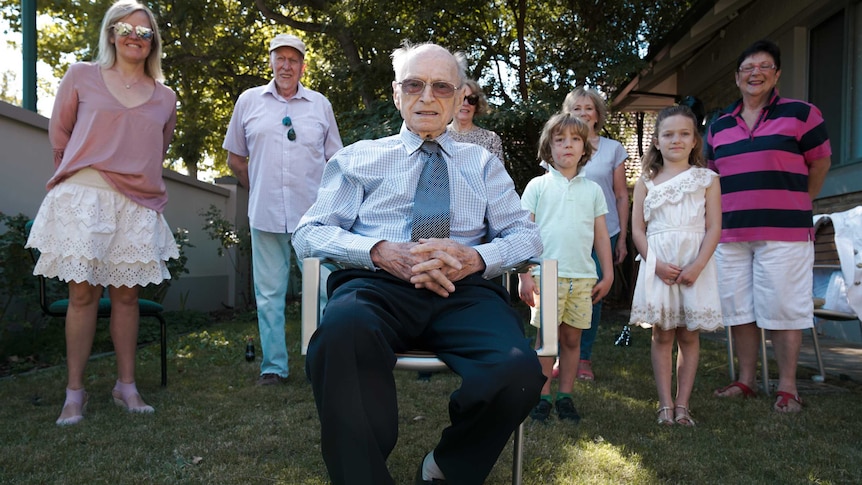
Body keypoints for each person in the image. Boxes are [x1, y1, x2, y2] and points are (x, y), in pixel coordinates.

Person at [292, 41, 545, 485]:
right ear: (396, 94)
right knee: (342, 333)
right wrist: (377, 251)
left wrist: (476, 257)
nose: (427, 97)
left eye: (441, 87)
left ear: (460, 96)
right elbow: (308, 233)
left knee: (518, 370)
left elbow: (528, 236)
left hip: (464, 290)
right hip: (378, 285)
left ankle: (448, 466)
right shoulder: (358, 158)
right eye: (414, 84)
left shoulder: (482, 163)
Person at [25, 0, 178, 425]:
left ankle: (125, 387)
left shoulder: (167, 98)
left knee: (127, 295)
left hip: (138, 204)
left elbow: (157, 149)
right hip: (83, 197)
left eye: (145, 32)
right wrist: (81, 182)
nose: (135, 36)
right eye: (125, 27)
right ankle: (75, 393)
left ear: (153, 42)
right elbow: (60, 135)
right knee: (81, 294)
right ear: (110, 33)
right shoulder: (81, 75)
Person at [707, 40, 831, 413]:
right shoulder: (718, 125)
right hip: (730, 234)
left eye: (764, 66)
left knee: (783, 309)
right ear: (737, 77)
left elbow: (820, 165)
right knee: (740, 310)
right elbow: (713, 178)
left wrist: (795, 204)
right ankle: (746, 380)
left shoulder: (802, 114)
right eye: (748, 67)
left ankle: (788, 387)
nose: (755, 73)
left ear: (776, 74)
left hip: (785, 232)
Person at [223, 33, 342, 386]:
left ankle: (317, 361)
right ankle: (274, 367)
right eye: (280, 58)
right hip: (266, 214)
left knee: (320, 292)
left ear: (303, 65)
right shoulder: (248, 101)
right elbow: (235, 158)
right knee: (269, 293)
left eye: (294, 59)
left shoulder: (320, 105)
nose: (286, 65)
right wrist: (258, 187)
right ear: (271, 62)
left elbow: (336, 159)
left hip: (313, 218)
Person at [629, 105, 723, 426]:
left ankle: (683, 405)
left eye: (684, 134)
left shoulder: (708, 180)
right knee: (663, 334)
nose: (676, 140)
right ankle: (665, 404)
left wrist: (697, 265)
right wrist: (655, 265)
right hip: (660, 265)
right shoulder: (646, 181)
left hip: (694, 265)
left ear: (695, 140)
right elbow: (637, 230)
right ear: (656, 141)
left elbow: (713, 227)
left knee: (689, 335)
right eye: (668, 134)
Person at [519, 112, 613, 422]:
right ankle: (542, 396)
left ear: (585, 149)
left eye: (575, 140)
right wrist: (524, 275)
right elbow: (523, 234)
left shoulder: (593, 191)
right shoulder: (537, 186)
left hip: (583, 277)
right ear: (549, 149)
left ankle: (565, 396)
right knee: (547, 341)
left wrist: (608, 272)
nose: (568, 146)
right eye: (560, 140)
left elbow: (601, 235)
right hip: (546, 275)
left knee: (572, 340)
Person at [557, 86, 630, 381]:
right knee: (560, 290)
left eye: (589, 108)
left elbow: (622, 195)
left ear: (598, 114)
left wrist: (623, 237)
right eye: (577, 108)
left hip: (605, 232)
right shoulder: (559, 144)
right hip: (565, 233)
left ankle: (583, 356)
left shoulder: (613, 149)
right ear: (567, 113)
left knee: (592, 293)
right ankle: (557, 353)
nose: (583, 113)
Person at [446, 79, 505, 162]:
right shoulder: (437, 137)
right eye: (461, 98)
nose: (466, 104)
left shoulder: (490, 139)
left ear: (477, 105)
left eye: (472, 99)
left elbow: (497, 174)